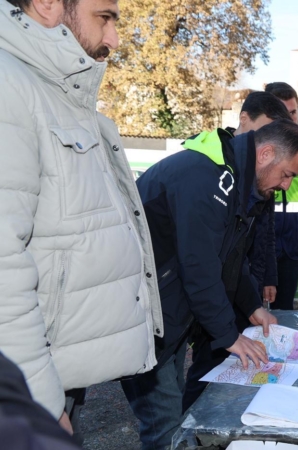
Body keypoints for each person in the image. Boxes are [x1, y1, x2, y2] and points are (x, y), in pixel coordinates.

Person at [0, 0, 162, 441]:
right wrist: (40, 404)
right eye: (104, 18)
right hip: (31, 389)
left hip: (56, 368)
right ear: (48, 4)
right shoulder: (10, 86)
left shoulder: (55, 92)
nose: (113, 39)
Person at [121, 119, 298, 449]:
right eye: (286, 174)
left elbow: (232, 256)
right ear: (266, 154)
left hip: (167, 311)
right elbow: (200, 266)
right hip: (141, 313)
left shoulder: (236, 178)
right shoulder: (204, 177)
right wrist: (228, 335)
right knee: (164, 425)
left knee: (173, 413)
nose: (286, 185)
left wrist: (251, 306)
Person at [182, 91, 292, 411]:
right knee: (207, 365)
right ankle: (194, 423)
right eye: (266, 130)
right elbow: (202, 259)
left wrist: (259, 289)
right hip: (208, 290)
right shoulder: (214, 166)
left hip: (239, 282)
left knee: (236, 366)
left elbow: (259, 234)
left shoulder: (262, 169)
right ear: (244, 119)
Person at [264, 82, 298, 310]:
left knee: (285, 301)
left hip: (294, 229)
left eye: (293, 112)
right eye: (283, 112)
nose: (290, 118)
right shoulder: (260, 148)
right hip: (263, 227)